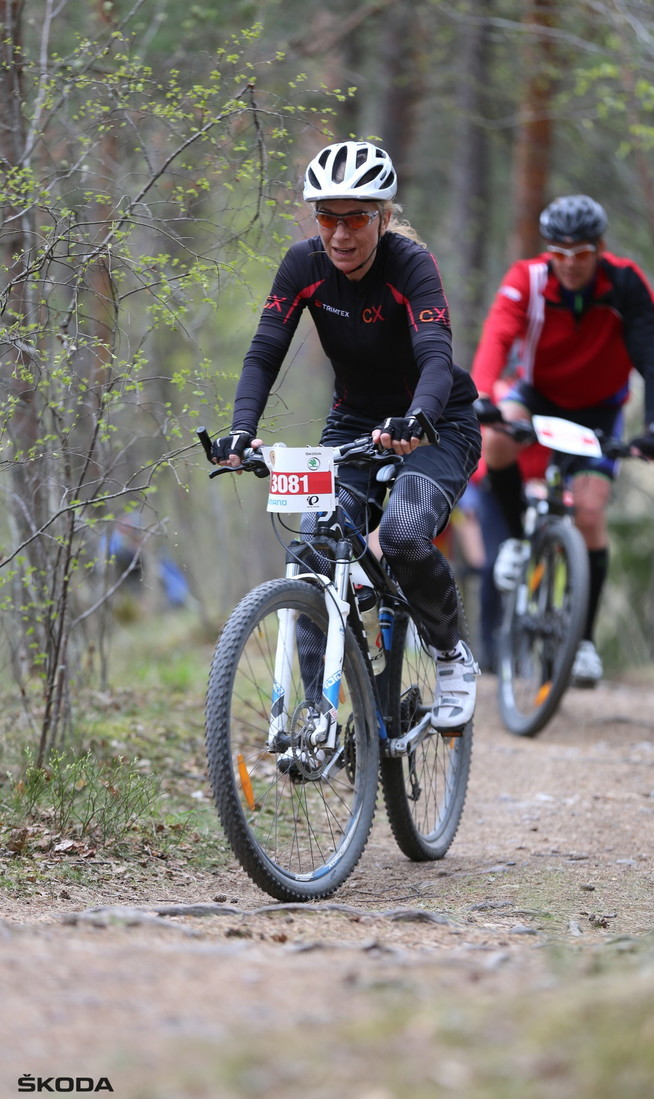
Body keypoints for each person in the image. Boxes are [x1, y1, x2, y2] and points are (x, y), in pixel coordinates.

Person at [211, 140, 482, 730]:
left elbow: (436, 354)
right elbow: (263, 354)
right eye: (327, 216)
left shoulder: (410, 265)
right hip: (356, 423)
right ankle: (318, 713)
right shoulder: (302, 266)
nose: (339, 233)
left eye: (355, 217)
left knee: (407, 536)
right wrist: (240, 431)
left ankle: (450, 653)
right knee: (312, 550)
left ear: (382, 218)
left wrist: (419, 417)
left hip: (436, 422)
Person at [471, 194, 654, 687]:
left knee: (589, 511)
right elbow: (498, 334)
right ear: (549, 252)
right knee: (495, 440)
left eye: (581, 254)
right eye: (560, 253)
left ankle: (582, 640)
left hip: (600, 409)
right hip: (538, 393)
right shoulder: (529, 279)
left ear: (599, 249)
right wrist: (479, 393)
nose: (570, 264)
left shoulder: (626, 283)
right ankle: (518, 541)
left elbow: (652, 354)